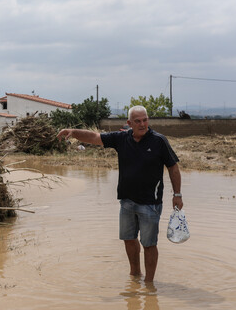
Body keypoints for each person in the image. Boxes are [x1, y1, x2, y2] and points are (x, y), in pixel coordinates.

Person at [56, 105, 183, 282]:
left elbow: (173, 167)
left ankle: (149, 283)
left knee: (149, 244)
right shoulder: (121, 138)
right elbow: (94, 137)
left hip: (150, 203)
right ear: (129, 123)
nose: (142, 124)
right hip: (126, 202)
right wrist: (73, 132)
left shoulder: (159, 141)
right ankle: (135, 275)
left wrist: (177, 194)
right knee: (129, 239)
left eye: (145, 120)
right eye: (137, 121)